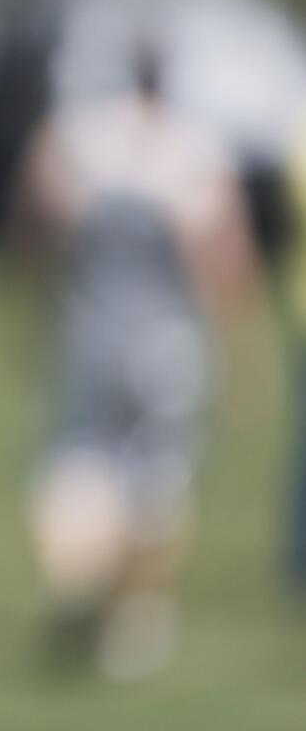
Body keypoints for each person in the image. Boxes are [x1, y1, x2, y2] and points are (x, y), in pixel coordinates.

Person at [14, 49, 259, 680]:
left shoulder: (82, 135)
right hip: (166, 340)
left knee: (82, 457)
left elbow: (36, 213)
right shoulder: (192, 149)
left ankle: (92, 581)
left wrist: (33, 299)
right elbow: (220, 251)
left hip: (90, 328)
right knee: (160, 475)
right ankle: (137, 611)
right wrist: (237, 345)